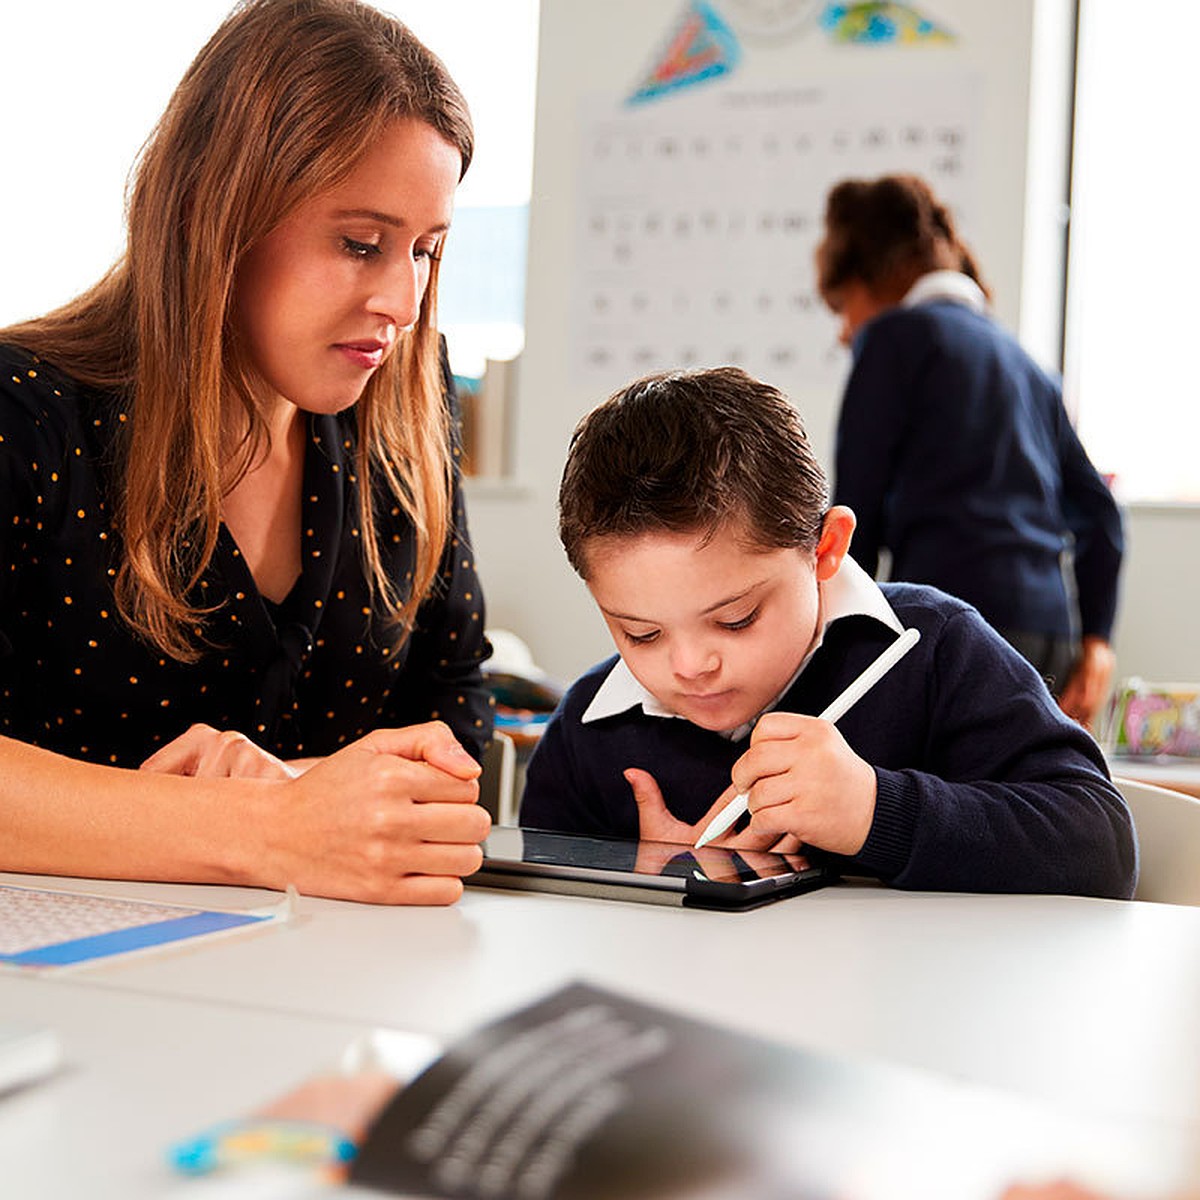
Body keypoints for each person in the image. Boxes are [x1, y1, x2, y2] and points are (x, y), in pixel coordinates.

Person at [0, 0, 495, 905]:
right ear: (216, 215)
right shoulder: (24, 412)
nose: (405, 300)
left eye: (427, 251)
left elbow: (453, 715)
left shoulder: (408, 410)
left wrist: (291, 794)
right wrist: (264, 828)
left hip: (324, 985)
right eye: (360, 244)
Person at [519, 367, 1135, 899]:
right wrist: (632, 875)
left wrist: (873, 810)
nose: (689, 665)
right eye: (640, 634)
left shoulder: (932, 649)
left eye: (736, 619)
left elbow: (1101, 847)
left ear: (826, 549)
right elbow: (539, 908)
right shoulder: (590, 728)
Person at [814, 173, 1124, 730]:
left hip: (952, 626)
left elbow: (855, 518)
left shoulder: (893, 339)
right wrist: (1097, 641)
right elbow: (1100, 513)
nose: (844, 332)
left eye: (843, 306)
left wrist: (828, 656)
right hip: (1050, 633)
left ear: (873, 277)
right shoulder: (1026, 363)